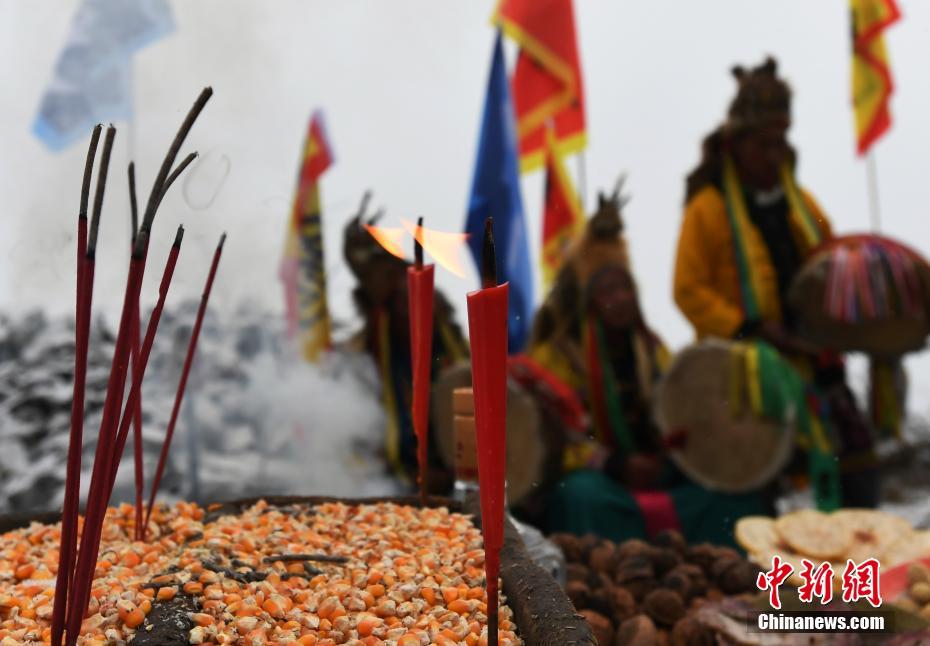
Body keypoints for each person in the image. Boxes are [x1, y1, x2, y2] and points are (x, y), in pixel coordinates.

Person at [673, 57, 879, 508]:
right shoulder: (706, 209)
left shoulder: (802, 204)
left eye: (780, 141)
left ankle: (861, 567)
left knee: (858, 469)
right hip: (746, 370)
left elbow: (829, 268)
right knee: (773, 490)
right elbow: (687, 290)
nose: (774, 153)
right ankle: (787, 577)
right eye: (764, 144)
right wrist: (753, 328)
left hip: (812, 361)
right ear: (736, 145)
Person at [529, 188, 767, 545]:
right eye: (608, 290)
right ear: (588, 302)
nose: (621, 298)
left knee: (734, 496)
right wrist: (616, 466)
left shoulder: (654, 351)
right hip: (604, 485)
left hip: (662, 476)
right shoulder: (556, 357)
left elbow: (682, 412)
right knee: (578, 495)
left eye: (625, 287)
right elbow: (550, 439)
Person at [342, 195, 469, 493]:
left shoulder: (457, 356)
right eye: (399, 301)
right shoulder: (359, 364)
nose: (408, 310)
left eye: (414, 299)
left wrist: (450, 472)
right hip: (390, 487)